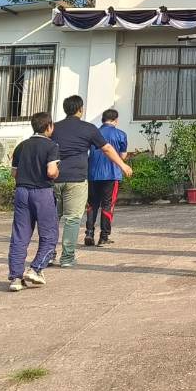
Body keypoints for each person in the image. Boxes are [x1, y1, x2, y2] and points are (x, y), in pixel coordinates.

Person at [49, 95, 132, 268]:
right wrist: (123, 165)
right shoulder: (89, 128)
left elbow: (44, 147)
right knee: (73, 219)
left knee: (52, 218)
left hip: (55, 177)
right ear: (81, 109)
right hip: (78, 179)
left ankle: (49, 254)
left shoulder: (54, 128)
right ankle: (68, 258)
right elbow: (107, 148)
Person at [7, 110, 60, 292]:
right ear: (49, 127)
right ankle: (36, 268)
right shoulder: (51, 146)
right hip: (42, 192)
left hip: (22, 191)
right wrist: (57, 172)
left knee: (20, 236)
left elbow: (14, 173)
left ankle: (15, 277)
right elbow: (51, 172)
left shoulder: (21, 146)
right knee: (49, 235)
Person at [85, 108, 129, 247]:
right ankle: (104, 236)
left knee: (92, 204)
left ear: (102, 120)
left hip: (93, 174)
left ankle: (89, 233)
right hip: (111, 174)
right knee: (107, 204)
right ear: (116, 120)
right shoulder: (121, 134)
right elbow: (122, 156)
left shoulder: (93, 133)